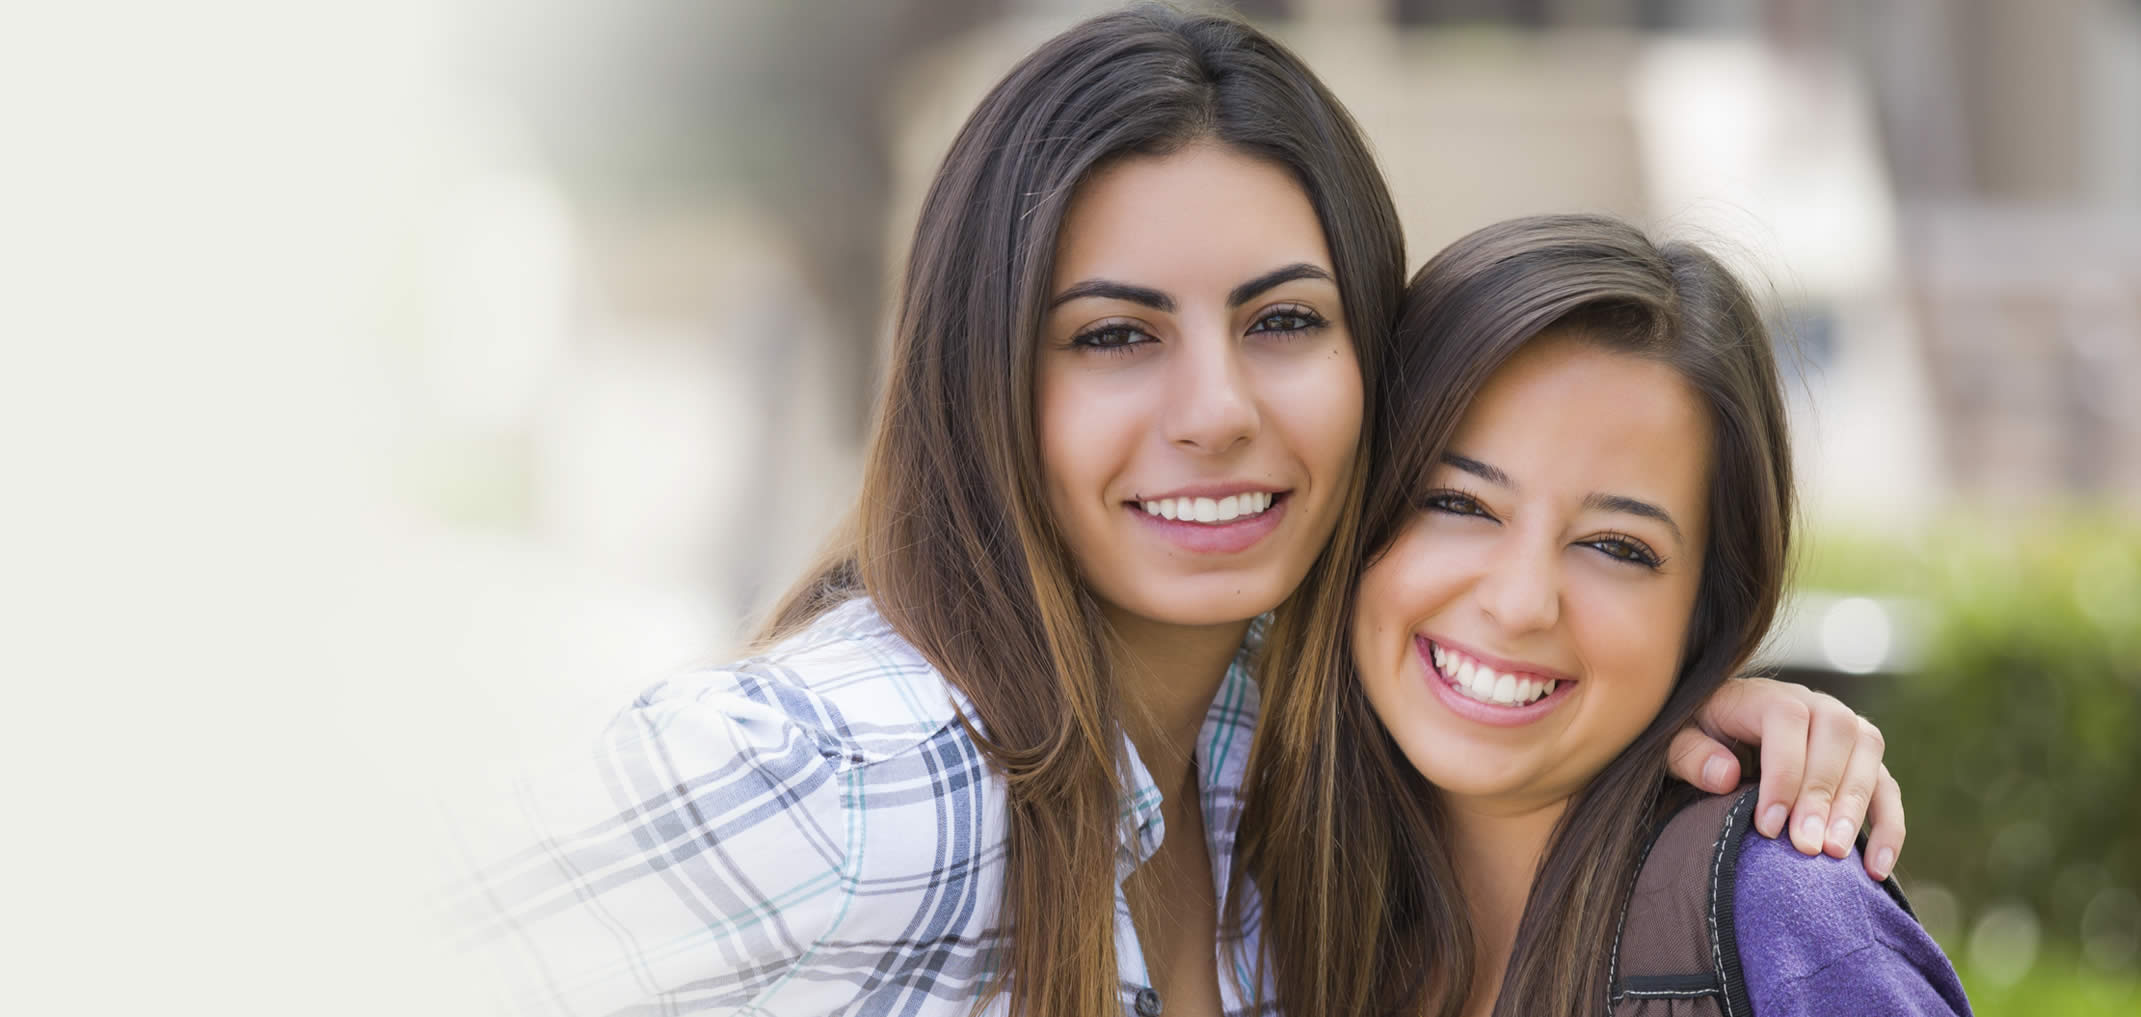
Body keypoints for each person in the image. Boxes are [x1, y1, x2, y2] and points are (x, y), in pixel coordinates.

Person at [448, 8, 1904, 1016]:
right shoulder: (858, 775)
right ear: (983, 380)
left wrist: (1693, 707)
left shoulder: (1281, 781)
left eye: (1280, 320)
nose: (1215, 408)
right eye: (1113, 335)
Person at [1254, 214, 1966, 1017]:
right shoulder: (1247, 885)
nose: (1520, 601)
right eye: (1457, 502)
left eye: (1617, 547)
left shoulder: (1784, 919)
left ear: (1705, 609)